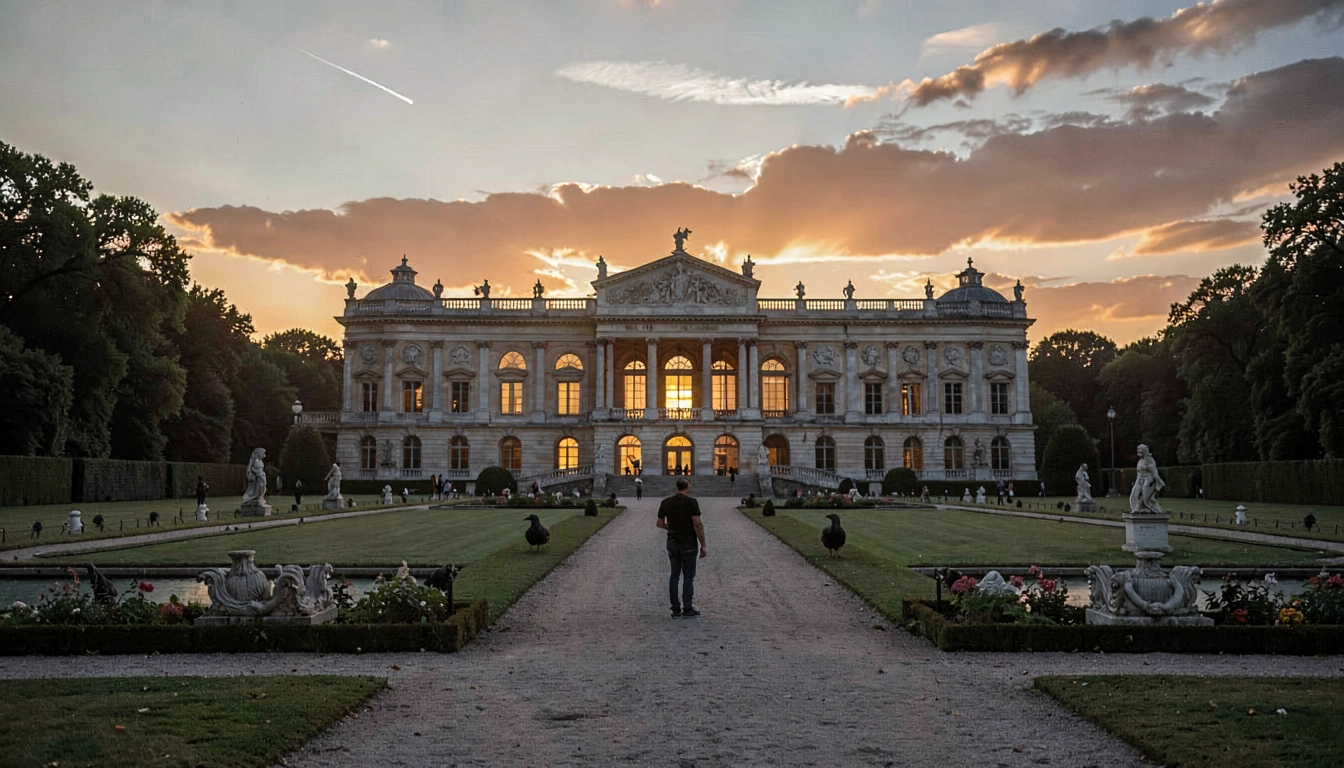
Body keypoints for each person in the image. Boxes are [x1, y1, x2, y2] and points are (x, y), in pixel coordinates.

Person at [657, 478, 706, 618]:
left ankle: (676, 608)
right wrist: (703, 545)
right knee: (688, 576)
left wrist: (672, 526)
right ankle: (688, 608)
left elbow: (659, 523)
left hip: (672, 541)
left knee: (674, 575)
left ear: (676, 487)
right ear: (688, 487)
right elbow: (698, 524)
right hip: (689, 542)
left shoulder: (666, 502)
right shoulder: (691, 502)